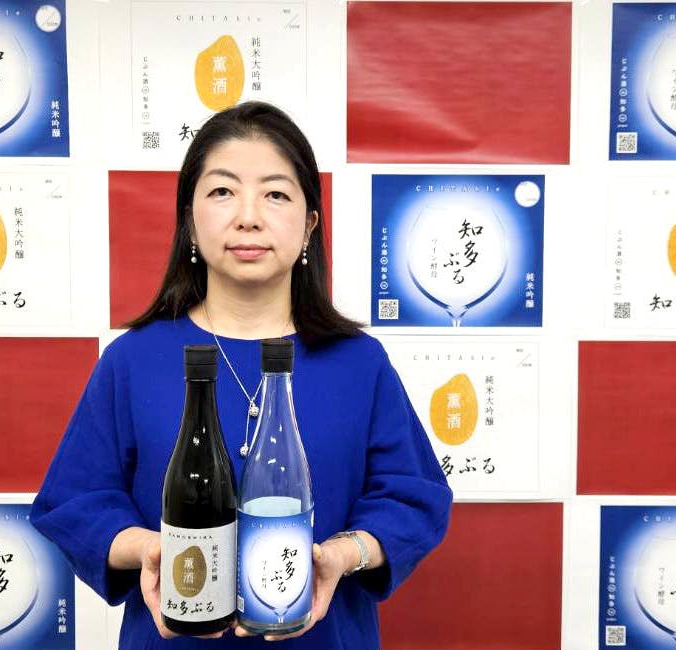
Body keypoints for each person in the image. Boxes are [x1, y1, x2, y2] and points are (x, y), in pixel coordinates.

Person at [30, 101, 452, 649]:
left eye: (275, 194)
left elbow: (413, 498)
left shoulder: (359, 362)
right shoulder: (132, 359)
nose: (248, 216)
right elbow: (75, 501)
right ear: (189, 219)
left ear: (309, 224)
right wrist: (150, 550)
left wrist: (342, 555)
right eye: (223, 191)